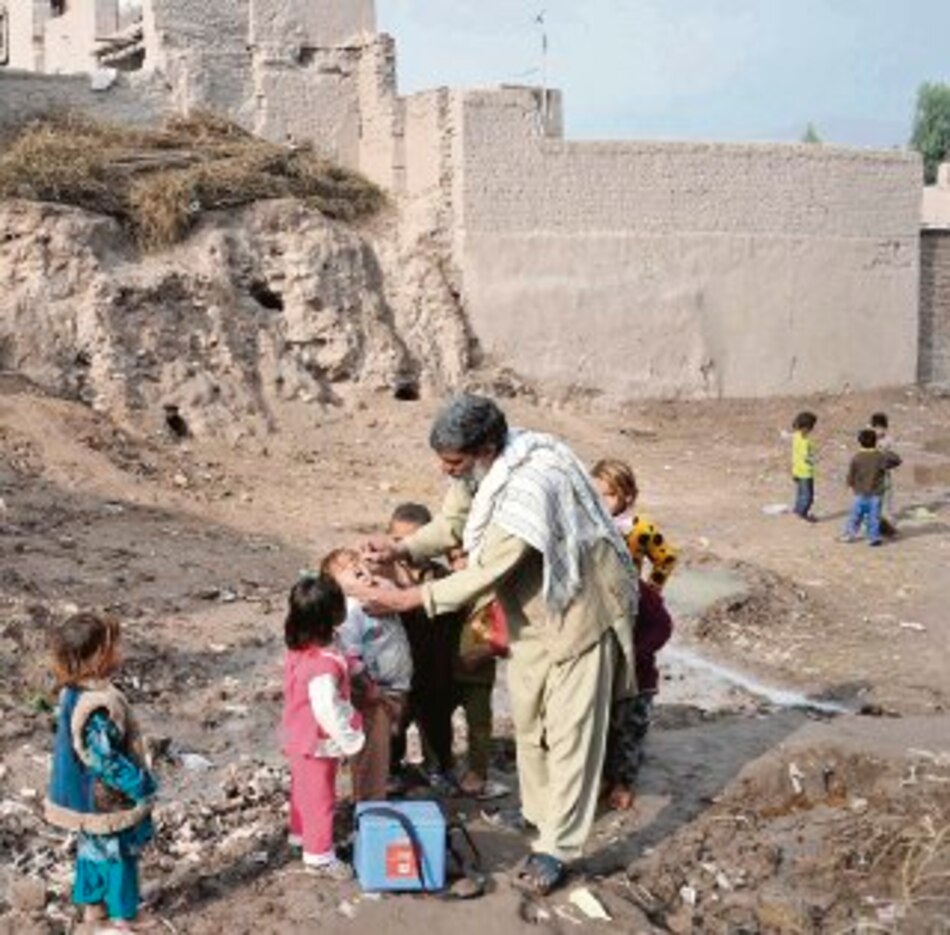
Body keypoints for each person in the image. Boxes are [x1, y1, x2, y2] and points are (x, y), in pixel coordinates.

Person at [354, 394, 637, 896]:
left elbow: (486, 571)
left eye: (455, 463)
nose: (448, 473)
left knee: (572, 732)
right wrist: (401, 547)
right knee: (531, 723)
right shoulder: (479, 471)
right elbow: (454, 523)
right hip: (530, 615)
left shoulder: (530, 483)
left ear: (486, 447)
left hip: (576, 611)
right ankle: (540, 817)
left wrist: (405, 599)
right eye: (443, 463)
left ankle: (558, 847)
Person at [44, 612, 157, 930]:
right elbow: (103, 759)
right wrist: (139, 784)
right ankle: (125, 912)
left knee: (91, 851)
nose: (120, 653)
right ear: (96, 658)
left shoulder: (71, 692)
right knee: (121, 854)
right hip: (104, 798)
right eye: (114, 648)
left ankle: (93, 907)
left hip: (78, 794)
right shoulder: (97, 704)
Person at [591, 458, 676, 810]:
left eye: (609, 496)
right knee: (600, 719)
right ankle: (602, 777)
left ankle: (623, 780)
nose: (602, 503)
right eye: (596, 496)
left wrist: (651, 591)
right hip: (598, 608)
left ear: (627, 495)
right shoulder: (588, 523)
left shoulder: (639, 527)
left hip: (632, 606)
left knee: (629, 723)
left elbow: (666, 558)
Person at [280, 574, 364, 879]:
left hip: (296, 732)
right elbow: (328, 710)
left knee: (303, 789)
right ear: (334, 615)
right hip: (316, 739)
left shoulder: (305, 643)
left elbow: (341, 656)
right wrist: (351, 738)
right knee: (320, 796)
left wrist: (355, 669)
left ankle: (300, 834)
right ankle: (319, 856)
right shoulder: (322, 667)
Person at [321, 548, 412, 802]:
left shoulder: (381, 594)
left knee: (381, 749)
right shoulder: (351, 611)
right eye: (345, 567)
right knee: (372, 754)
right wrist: (368, 690)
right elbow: (350, 659)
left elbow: (404, 588)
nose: (354, 566)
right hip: (375, 693)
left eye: (356, 561)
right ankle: (369, 808)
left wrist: (386, 561)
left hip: (395, 688)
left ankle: (375, 795)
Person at [387, 503, 461, 793]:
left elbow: (453, 613)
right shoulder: (384, 576)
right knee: (395, 724)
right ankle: (392, 768)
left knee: (437, 724)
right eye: (396, 540)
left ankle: (441, 767)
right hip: (397, 669)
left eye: (411, 541)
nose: (403, 548)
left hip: (434, 665)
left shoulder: (442, 577)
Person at [840, 428, 902, 547]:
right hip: (876, 494)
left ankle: (849, 534)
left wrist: (849, 483)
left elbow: (852, 473)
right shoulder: (880, 457)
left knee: (855, 515)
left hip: (860, 493)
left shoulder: (857, 457)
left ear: (860, 442)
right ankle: (873, 538)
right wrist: (885, 451)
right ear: (875, 442)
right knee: (874, 518)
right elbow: (897, 460)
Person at [870, 412, 898, 536]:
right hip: (873, 476)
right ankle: (876, 523)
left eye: (881, 428)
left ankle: (891, 524)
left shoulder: (889, 440)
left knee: (888, 499)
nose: (879, 430)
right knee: (876, 500)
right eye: (876, 427)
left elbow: (892, 457)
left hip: (886, 474)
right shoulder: (870, 439)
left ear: (885, 428)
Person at [791, 411, 818, 521]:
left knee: (800, 493)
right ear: (807, 427)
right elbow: (807, 457)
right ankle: (803, 513)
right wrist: (813, 460)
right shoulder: (805, 441)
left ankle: (797, 509)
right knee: (808, 496)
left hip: (796, 470)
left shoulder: (796, 436)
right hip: (806, 473)